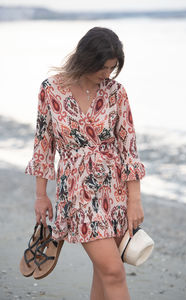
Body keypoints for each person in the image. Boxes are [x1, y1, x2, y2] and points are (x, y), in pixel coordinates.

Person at [25, 26, 146, 300]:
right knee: (113, 272)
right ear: (85, 59)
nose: (107, 75)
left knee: (104, 274)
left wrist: (134, 199)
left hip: (114, 191)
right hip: (77, 192)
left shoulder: (116, 93)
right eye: (103, 68)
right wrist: (41, 195)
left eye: (112, 69)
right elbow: (44, 146)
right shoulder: (51, 90)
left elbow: (129, 147)